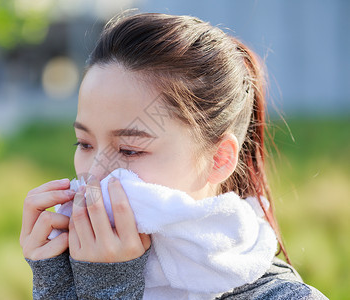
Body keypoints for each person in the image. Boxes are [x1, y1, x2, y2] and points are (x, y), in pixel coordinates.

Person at [19, 12, 328, 299]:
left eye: (130, 150)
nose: (95, 174)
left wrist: (108, 286)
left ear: (219, 159)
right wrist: (58, 284)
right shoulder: (76, 265)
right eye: (84, 144)